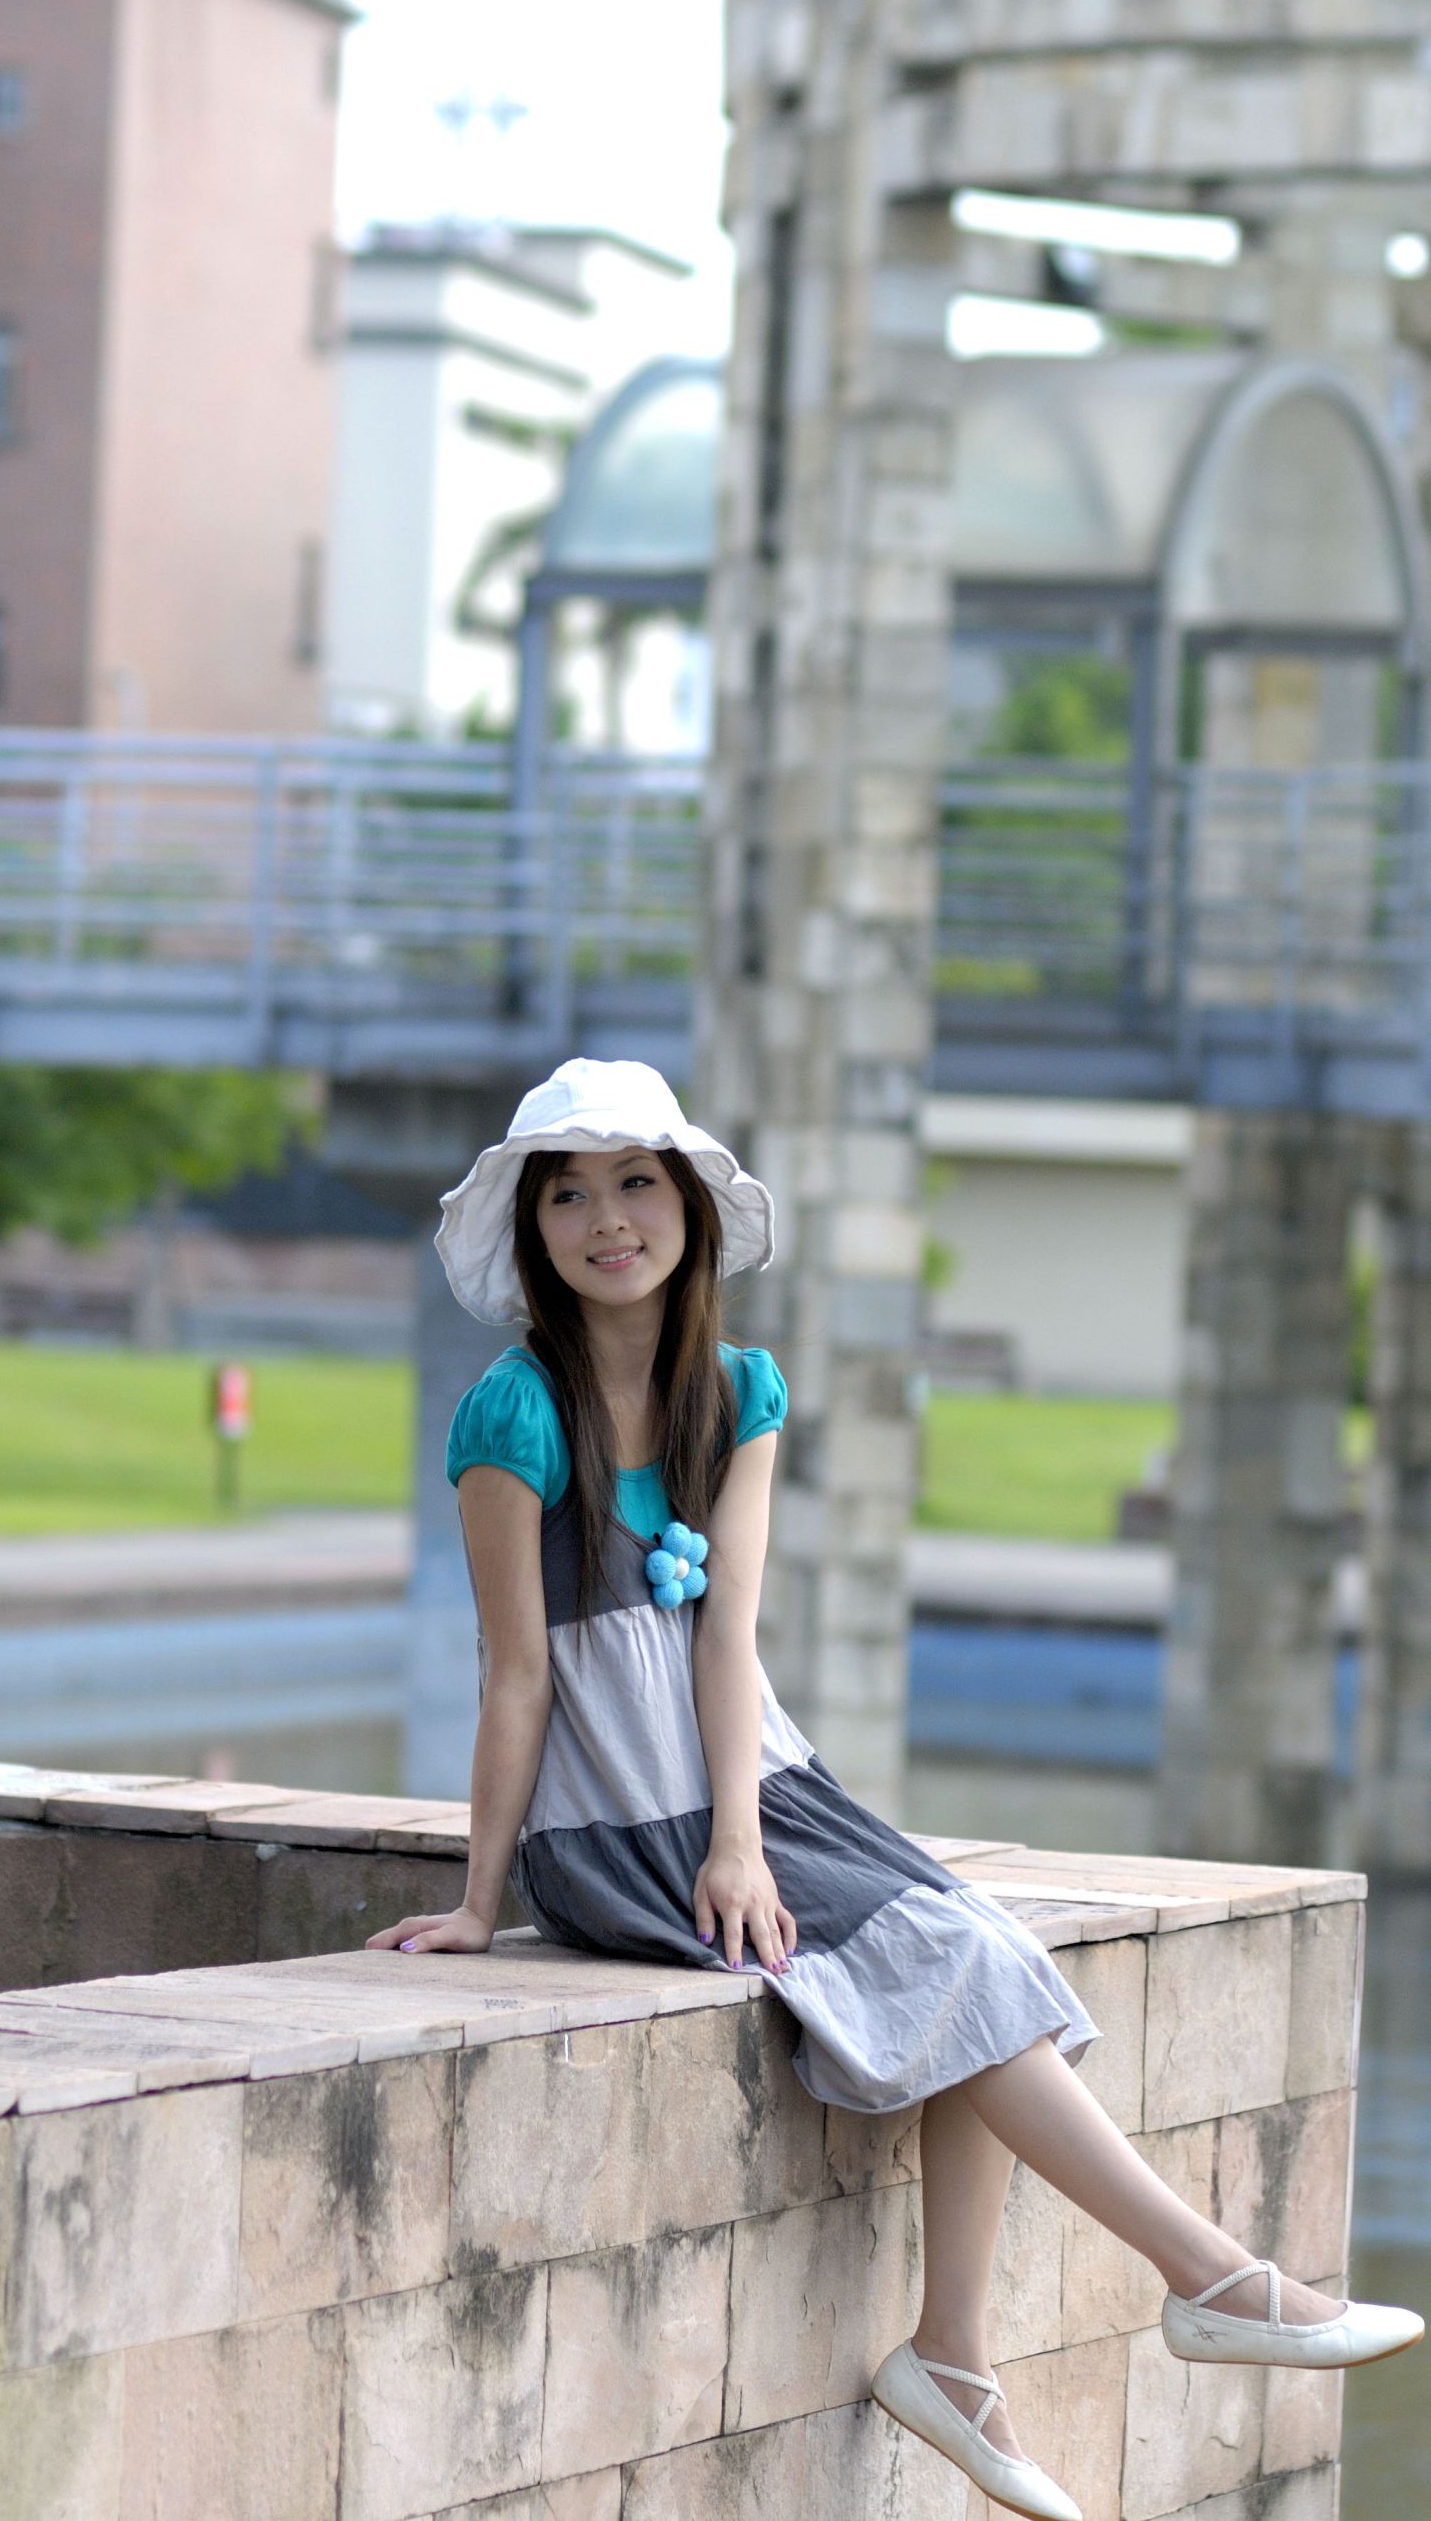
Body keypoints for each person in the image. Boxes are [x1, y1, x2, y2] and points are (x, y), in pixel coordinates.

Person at [366, 1057, 1422, 2520]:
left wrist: (743, 1838)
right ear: (533, 1231)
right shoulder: (513, 1414)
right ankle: (1215, 2282)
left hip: (749, 1790)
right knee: (952, 1963)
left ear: (689, 1209)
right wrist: (486, 1904)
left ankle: (954, 2358)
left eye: (636, 1184)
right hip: (610, 1823)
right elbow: (516, 1675)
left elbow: (727, 1637)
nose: (607, 1219)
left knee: (985, 1951)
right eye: (569, 1196)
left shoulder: (739, 1391)